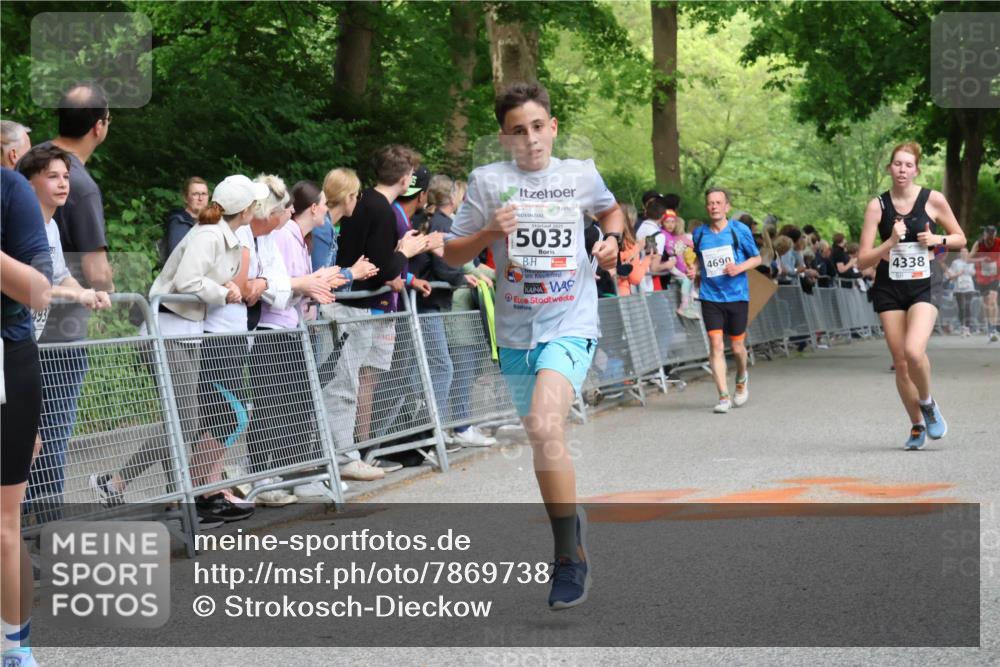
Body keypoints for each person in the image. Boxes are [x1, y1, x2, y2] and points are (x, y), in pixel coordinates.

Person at [443, 82, 624, 610]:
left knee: (547, 426)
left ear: (553, 127)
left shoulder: (580, 175)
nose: (531, 139)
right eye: (518, 131)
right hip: (518, 332)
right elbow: (453, 255)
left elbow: (612, 214)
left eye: (538, 127)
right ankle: (571, 528)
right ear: (505, 138)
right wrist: (486, 235)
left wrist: (612, 240)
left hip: (571, 321)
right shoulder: (486, 182)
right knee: (544, 444)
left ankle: (567, 556)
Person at [89, 175, 263, 525]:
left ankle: (168, 499)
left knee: (183, 419)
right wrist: (223, 292)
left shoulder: (223, 235)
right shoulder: (210, 234)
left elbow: (208, 278)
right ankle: (123, 484)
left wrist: (225, 284)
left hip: (188, 332)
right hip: (168, 331)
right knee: (182, 420)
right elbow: (188, 281)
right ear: (246, 210)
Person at [15, 146, 112, 520]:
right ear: (27, 183)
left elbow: (59, 276)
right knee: (29, 442)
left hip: (31, 342)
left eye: (66, 177)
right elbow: (30, 285)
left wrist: (87, 293)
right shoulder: (17, 224)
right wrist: (75, 292)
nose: (62, 184)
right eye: (52, 176)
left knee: (39, 442)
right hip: (13, 343)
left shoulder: (52, 225)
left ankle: (37, 529)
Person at [323, 146, 429, 481]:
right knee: (345, 385)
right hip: (355, 309)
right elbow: (383, 270)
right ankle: (343, 457)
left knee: (351, 383)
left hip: (354, 305)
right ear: (404, 177)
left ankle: (351, 452)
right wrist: (406, 252)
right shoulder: (381, 209)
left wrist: (396, 264)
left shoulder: (366, 200)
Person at [858, 141, 965, 450]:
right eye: (897, 164)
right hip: (889, 285)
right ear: (889, 168)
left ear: (916, 169)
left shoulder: (932, 199)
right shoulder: (877, 206)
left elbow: (960, 238)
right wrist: (889, 242)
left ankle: (928, 402)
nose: (902, 169)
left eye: (908, 165)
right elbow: (863, 259)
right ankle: (917, 425)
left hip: (924, 282)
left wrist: (937, 238)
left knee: (914, 351)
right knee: (901, 362)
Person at [1, 167, 52, 667]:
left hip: (6, 360)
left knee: (3, 524)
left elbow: (40, 292)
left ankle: (14, 649)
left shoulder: (9, 190)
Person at [687, 188, 761, 413]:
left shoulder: (740, 230)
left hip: (737, 295)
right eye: (710, 203)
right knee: (716, 345)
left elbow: (757, 258)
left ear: (727, 207)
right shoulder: (699, 234)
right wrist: (694, 270)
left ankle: (741, 377)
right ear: (707, 207)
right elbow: (699, 260)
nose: (714, 206)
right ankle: (723, 396)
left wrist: (739, 267)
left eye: (719, 203)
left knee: (737, 347)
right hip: (710, 296)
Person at [164, 177, 210, 257]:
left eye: (204, 194)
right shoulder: (180, 222)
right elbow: (177, 257)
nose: (200, 198)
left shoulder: (209, 221)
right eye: (195, 194)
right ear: (185, 198)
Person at [969, 225, 999, 342]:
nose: (991, 238)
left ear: (995, 234)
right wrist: (981, 259)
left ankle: (994, 327)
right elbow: (967, 259)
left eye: (993, 235)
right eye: (988, 235)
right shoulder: (979, 244)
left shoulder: (998, 242)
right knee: (986, 303)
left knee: (992, 300)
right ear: (985, 234)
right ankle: (989, 325)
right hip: (982, 277)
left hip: (995, 275)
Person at [947, 248, 976, 337]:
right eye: (962, 252)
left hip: (969, 287)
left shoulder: (971, 262)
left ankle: (967, 328)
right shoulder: (955, 263)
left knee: (968, 307)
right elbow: (951, 276)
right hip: (958, 288)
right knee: (961, 307)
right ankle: (962, 326)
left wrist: (973, 272)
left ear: (968, 253)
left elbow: (973, 273)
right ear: (959, 253)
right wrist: (958, 273)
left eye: (966, 252)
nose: (964, 254)